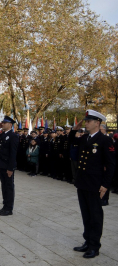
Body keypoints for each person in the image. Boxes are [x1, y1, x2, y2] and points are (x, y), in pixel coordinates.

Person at [69, 110, 115, 259]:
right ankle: (87, 241)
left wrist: (105, 185)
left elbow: (111, 164)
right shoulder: (85, 138)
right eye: (85, 121)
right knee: (86, 215)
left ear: (97, 123)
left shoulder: (105, 140)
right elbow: (70, 141)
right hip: (82, 182)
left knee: (95, 216)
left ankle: (95, 246)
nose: (86, 123)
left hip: (95, 184)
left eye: (88, 121)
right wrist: (75, 128)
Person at [0, 116, 19, 216]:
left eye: (4, 123)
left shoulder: (13, 136)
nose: (2, 124)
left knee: (9, 186)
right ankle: (5, 206)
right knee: (4, 186)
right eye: (2, 122)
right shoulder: (3, 135)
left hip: (7, 166)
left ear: (10, 125)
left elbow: (13, 153)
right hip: (2, 165)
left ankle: (9, 208)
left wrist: (10, 168)